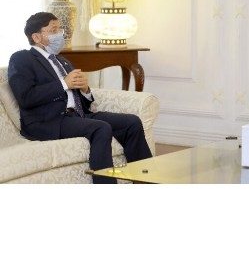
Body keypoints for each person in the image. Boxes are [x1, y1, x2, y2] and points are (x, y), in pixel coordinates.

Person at [8, 12, 153, 184]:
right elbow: (26, 97)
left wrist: (85, 90)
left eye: (59, 29)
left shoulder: (62, 61)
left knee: (132, 122)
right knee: (101, 128)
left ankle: (146, 179)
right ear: (36, 37)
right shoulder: (22, 58)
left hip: (78, 115)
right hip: (48, 121)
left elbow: (82, 101)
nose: (59, 34)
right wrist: (64, 83)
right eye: (53, 30)